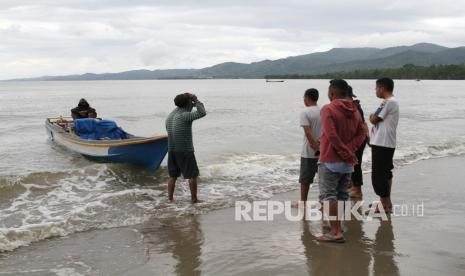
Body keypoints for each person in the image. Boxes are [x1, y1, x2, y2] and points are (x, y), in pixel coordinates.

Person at [317, 79, 366, 243]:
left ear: (331, 93)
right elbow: (362, 134)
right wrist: (350, 150)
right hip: (347, 163)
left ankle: (335, 232)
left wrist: (344, 151)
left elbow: (331, 135)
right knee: (342, 195)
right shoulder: (355, 109)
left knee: (328, 195)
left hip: (330, 158)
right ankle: (338, 227)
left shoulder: (327, 109)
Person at [165, 93, 206, 203]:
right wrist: (196, 100)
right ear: (187, 103)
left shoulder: (170, 117)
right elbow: (202, 112)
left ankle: (170, 199)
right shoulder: (185, 115)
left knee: (172, 176)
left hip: (171, 150)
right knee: (192, 175)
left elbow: (181, 105)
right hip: (184, 150)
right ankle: (194, 199)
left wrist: (188, 101)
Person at [369, 78, 399, 213]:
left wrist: (370, 116)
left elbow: (374, 119)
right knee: (385, 173)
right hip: (386, 142)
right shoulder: (392, 102)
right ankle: (386, 203)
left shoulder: (387, 102)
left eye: (376, 88)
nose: (375, 91)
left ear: (381, 88)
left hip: (382, 143)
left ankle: (384, 205)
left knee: (379, 175)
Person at [297, 88, 321, 206]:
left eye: (304, 97)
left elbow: (308, 131)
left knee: (305, 179)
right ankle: (322, 201)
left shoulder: (305, 112)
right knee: (322, 178)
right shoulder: (323, 110)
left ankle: (303, 203)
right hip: (324, 150)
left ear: (306, 97)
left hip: (309, 151)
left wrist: (314, 146)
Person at [346, 86, 369, 198]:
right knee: (353, 163)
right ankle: (352, 186)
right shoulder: (355, 106)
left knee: (355, 163)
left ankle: (357, 189)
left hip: (358, 140)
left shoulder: (354, 107)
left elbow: (361, 124)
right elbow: (364, 123)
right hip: (360, 138)